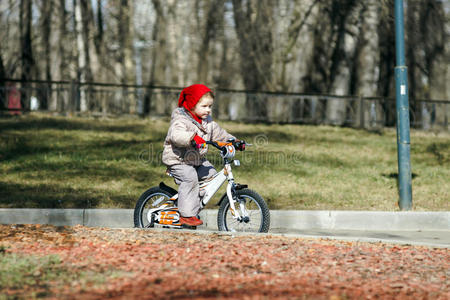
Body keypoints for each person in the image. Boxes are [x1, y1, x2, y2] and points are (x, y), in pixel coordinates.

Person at [162, 84, 243, 226]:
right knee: (190, 178)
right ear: (192, 105)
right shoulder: (181, 119)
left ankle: (192, 201)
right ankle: (187, 215)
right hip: (178, 160)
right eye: (204, 106)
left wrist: (233, 141)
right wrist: (192, 137)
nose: (208, 110)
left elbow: (220, 134)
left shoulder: (207, 122)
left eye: (210, 106)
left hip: (196, 160)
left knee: (212, 174)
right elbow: (176, 135)